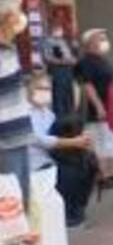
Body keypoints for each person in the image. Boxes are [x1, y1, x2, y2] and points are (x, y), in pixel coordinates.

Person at [0, 0, 47, 245]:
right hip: (3, 140)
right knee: (6, 206)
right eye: (17, 12)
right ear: (5, 17)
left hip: (19, 136)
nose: (22, 18)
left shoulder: (9, 49)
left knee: (20, 204)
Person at [26, 70, 93, 229]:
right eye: (40, 88)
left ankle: (76, 210)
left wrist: (80, 139)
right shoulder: (25, 113)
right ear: (30, 90)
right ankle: (68, 215)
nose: (45, 93)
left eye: (47, 89)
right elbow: (41, 140)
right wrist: (73, 142)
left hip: (52, 158)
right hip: (34, 163)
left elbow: (59, 131)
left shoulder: (47, 113)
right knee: (67, 173)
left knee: (87, 164)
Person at [75, 28, 113, 188]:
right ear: (89, 43)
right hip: (96, 109)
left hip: (109, 106)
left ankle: (109, 173)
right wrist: (98, 106)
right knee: (99, 141)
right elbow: (88, 86)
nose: (104, 41)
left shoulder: (102, 59)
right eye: (100, 38)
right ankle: (102, 176)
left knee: (109, 140)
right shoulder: (85, 62)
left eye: (104, 38)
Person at [41, 21, 77, 120]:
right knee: (59, 95)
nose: (59, 31)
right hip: (58, 71)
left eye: (60, 29)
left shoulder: (63, 41)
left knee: (68, 94)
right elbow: (48, 58)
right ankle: (60, 118)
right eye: (56, 29)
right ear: (51, 30)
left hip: (68, 70)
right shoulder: (48, 41)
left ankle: (70, 116)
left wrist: (72, 60)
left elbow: (67, 54)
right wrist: (64, 61)